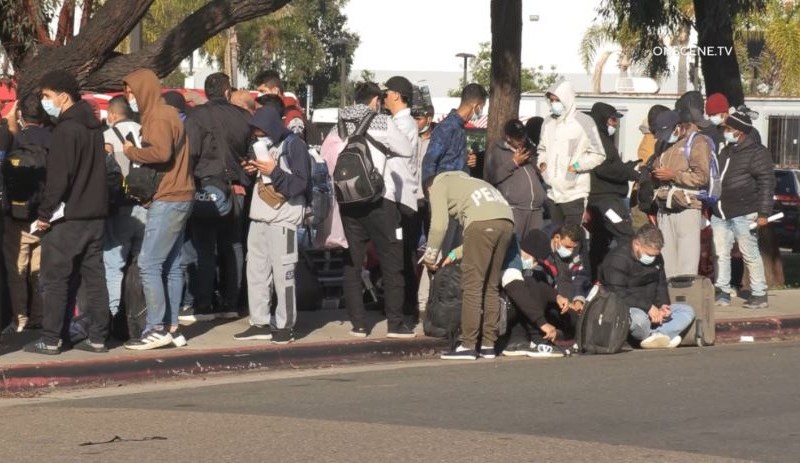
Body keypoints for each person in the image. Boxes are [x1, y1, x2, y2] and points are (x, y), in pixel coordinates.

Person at [25, 70, 110, 355]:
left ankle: (51, 339)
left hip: (69, 217)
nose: (45, 102)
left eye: (47, 96)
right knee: (95, 277)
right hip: (95, 215)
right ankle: (98, 336)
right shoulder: (93, 128)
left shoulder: (66, 130)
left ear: (63, 96)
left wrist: (44, 214)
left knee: (56, 278)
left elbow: (59, 178)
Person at [331, 82, 415, 338]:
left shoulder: (339, 125)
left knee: (353, 263)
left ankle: (358, 324)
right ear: (376, 101)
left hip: (348, 201)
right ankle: (395, 324)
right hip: (380, 200)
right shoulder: (381, 122)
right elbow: (407, 149)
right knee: (392, 261)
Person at [121, 69, 194, 350]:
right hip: (180, 195)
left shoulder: (158, 117)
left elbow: (161, 153)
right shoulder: (167, 113)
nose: (130, 98)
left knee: (149, 263)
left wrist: (131, 152)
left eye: (131, 92)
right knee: (172, 264)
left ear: (144, 90)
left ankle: (156, 328)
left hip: (168, 196)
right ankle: (171, 325)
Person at [233, 106, 310, 343]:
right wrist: (250, 170)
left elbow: (300, 183)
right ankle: (260, 322)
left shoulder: (294, 145)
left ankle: (285, 325)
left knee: (283, 275)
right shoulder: (262, 146)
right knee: (255, 272)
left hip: (283, 219)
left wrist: (273, 171)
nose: (257, 134)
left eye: (261, 130)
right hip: (259, 217)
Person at [179, 72, 251, 323]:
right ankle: (232, 302)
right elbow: (250, 152)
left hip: (205, 188)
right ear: (227, 91)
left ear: (207, 92)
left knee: (204, 247)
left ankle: (204, 304)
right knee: (234, 245)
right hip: (237, 189)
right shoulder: (243, 116)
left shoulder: (196, 117)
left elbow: (190, 154)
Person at [423, 171, 514, 360]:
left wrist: (430, 257)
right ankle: (489, 344)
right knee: (491, 286)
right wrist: (455, 253)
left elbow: (439, 225)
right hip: (506, 221)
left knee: (472, 286)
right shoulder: (472, 182)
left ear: (429, 190)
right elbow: (485, 232)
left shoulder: (438, 185)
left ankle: (468, 345)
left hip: (480, 223)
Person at [712, 112, 774, 309]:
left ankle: (759, 293)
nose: (725, 133)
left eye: (728, 129)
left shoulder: (757, 153)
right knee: (721, 253)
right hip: (721, 211)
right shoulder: (726, 151)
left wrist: (763, 213)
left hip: (745, 212)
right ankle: (722, 290)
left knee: (750, 253)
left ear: (738, 131)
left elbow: (767, 183)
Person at [599, 224, 696, 348]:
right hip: (629, 308)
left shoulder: (657, 258)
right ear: (637, 244)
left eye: (655, 255)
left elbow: (660, 284)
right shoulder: (618, 259)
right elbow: (617, 293)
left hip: (652, 308)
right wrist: (648, 308)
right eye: (649, 255)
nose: (652, 258)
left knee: (687, 311)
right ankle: (658, 336)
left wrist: (663, 306)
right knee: (639, 320)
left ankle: (656, 336)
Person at [4, 94, 52, 332]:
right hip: (45, 216)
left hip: (17, 215)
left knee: (17, 270)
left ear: (21, 114)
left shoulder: (16, 139)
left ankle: (19, 317)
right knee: (40, 270)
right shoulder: (54, 139)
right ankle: (39, 315)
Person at [101, 95, 146, 322]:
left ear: (111, 115)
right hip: (147, 206)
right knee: (143, 265)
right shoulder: (144, 132)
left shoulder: (106, 137)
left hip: (121, 209)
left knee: (113, 265)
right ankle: (140, 315)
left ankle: (115, 314)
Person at [651, 110, 711, 278]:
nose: (664, 137)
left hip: (687, 206)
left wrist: (674, 175)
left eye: (667, 132)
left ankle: (685, 299)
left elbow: (702, 177)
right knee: (666, 259)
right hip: (665, 205)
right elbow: (657, 165)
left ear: (678, 127)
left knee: (687, 260)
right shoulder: (663, 144)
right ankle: (669, 298)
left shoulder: (698, 142)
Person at [537, 80, 605, 227]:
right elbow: (542, 149)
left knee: (572, 238)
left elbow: (598, 154)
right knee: (556, 238)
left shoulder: (584, 121)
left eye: (557, 100)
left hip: (575, 193)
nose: (554, 103)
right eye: (551, 100)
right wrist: (543, 166)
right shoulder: (547, 122)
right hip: (552, 193)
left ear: (566, 98)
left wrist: (575, 167)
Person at [382, 76, 422, 317]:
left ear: (396, 95)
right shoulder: (398, 123)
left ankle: (405, 306)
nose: (384, 96)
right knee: (400, 253)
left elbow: (395, 161)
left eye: (386, 92)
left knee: (401, 255)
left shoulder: (403, 125)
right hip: (399, 196)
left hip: (402, 199)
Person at [587, 102, 640, 276]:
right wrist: (631, 173)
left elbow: (612, 165)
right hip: (606, 201)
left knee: (600, 242)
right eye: (613, 119)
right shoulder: (598, 140)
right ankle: (623, 274)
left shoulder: (603, 139)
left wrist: (628, 167)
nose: (615, 124)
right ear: (602, 119)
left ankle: (597, 277)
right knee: (625, 235)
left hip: (607, 199)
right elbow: (603, 168)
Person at [484, 119, 546, 240]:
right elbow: (492, 177)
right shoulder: (496, 151)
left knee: (533, 249)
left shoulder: (528, 148)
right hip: (516, 209)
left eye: (523, 136)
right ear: (508, 137)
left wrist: (539, 167)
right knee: (514, 247)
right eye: (517, 138)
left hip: (536, 210)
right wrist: (514, 163)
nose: (521, 140)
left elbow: (534, 171)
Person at [421, 83, 487, 182]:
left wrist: (466, 159)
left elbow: (451, 157)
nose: (481, 111)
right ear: (476, 106)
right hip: (445, 189)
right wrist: (430, 190)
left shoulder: (460, 127)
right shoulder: (447, 128)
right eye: (482, 107)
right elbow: (429, 162)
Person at [252, 69, 305, 136]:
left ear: (275, 90)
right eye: (258, 92)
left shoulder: (292, 116)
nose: (259, 95)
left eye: (263, 91)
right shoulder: (265, 112)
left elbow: (296, 143)